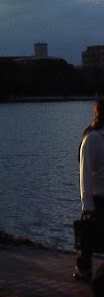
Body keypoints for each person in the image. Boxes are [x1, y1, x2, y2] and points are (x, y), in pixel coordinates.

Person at [77, 98, 104, 283]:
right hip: (99, 197)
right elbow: (85, 172)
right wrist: (87, 203)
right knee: (90, 237)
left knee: (91, 236)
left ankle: (86, 270)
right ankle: (85, 270)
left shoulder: (93, 137)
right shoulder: (93, 138)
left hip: (98, 196)